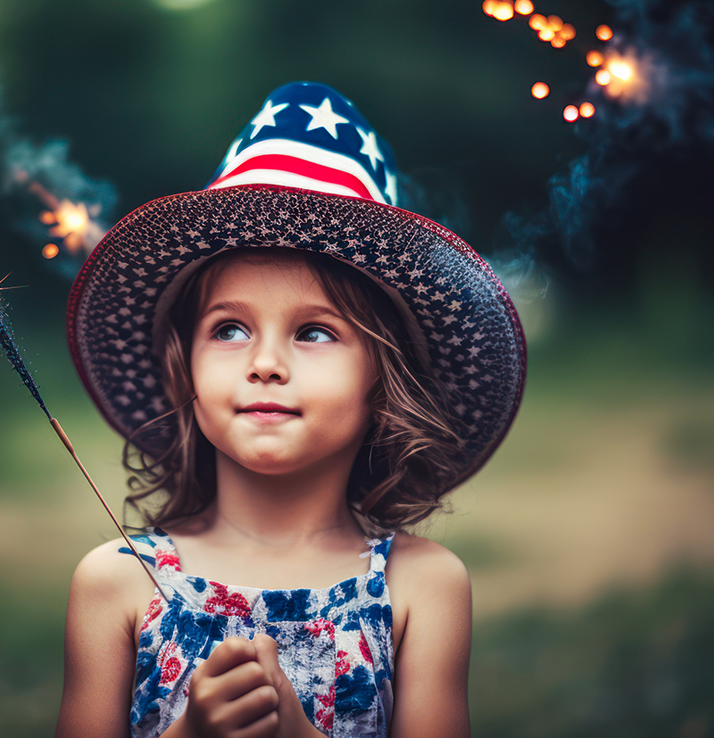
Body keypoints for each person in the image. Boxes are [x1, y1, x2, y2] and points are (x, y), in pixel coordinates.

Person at [57, 82, 526, 738]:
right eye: (229, 329)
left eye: (314, 332)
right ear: (182, 364)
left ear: (383, 379)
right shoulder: (117, 583)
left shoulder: (421, 590)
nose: (266, 363)